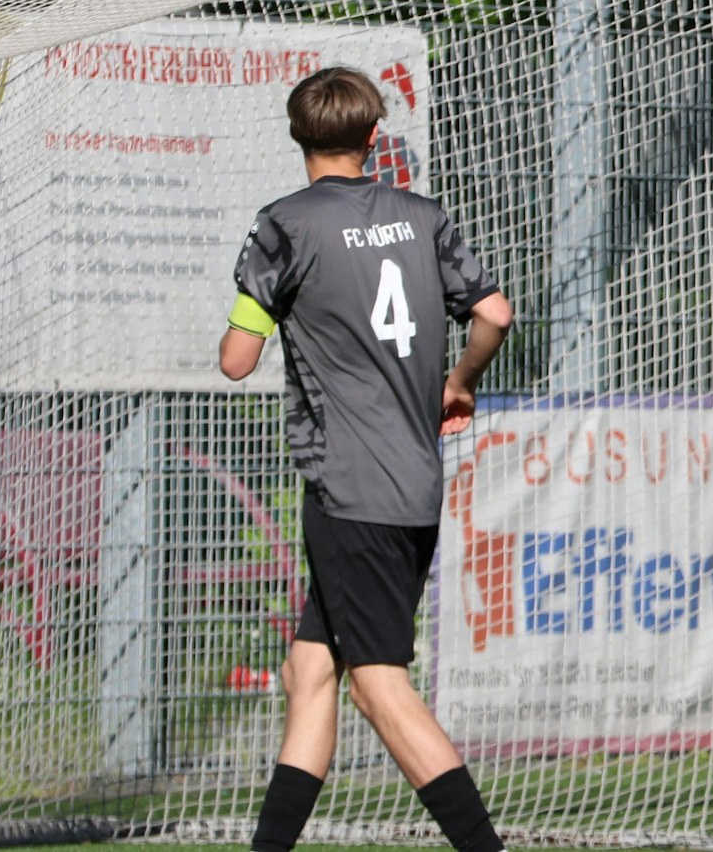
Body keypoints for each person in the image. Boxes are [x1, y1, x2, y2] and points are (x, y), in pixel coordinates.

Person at [221, 67, 514, 852]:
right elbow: (495, 312)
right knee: (309, 670)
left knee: (378, 682)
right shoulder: (421, 215)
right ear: (373, 138)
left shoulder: (284, 225)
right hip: (413, 482)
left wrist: (252, 313)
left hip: (349, 490)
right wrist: (460, 379)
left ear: (297, 137)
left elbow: (238, 360)